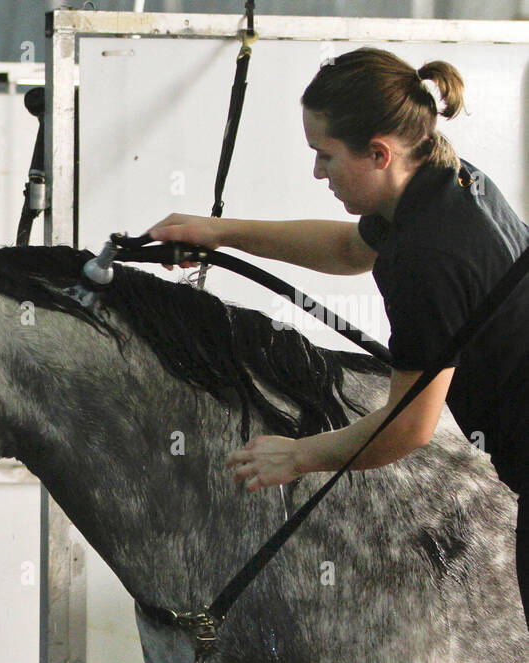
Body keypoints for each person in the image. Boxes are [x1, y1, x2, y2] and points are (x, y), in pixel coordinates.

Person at [145, 47, 529, 631]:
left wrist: (299, 455)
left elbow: (407, 426)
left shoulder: (427, 256)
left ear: (379, 153)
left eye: (324, 156)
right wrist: (222, 233)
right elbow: (351, 249)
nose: (317, 173)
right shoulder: (444, 182)